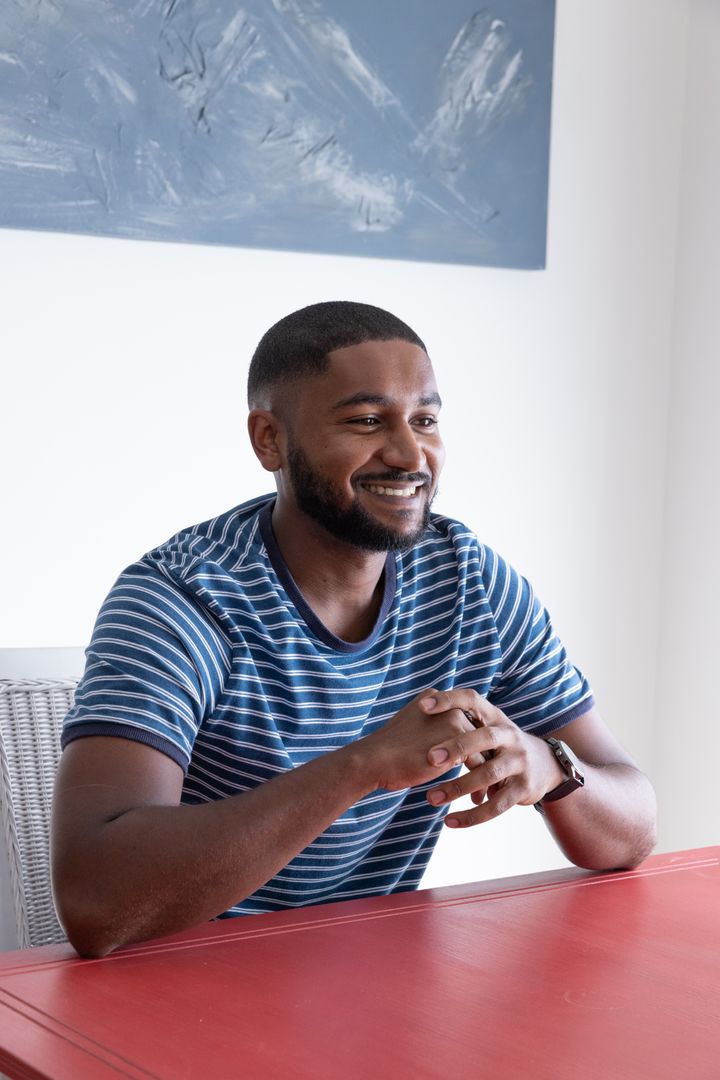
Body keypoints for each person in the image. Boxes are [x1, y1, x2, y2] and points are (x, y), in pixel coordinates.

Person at [52, 301, 657, 958]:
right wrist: (364, 765)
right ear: (269, 440)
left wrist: (548, 766)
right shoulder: (184, 600)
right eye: (366, 421)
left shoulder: (471, 582)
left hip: (373, 986)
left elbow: (632, 829)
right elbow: (96, 904)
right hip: (184, 994)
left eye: (425, 420)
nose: (409, 454)